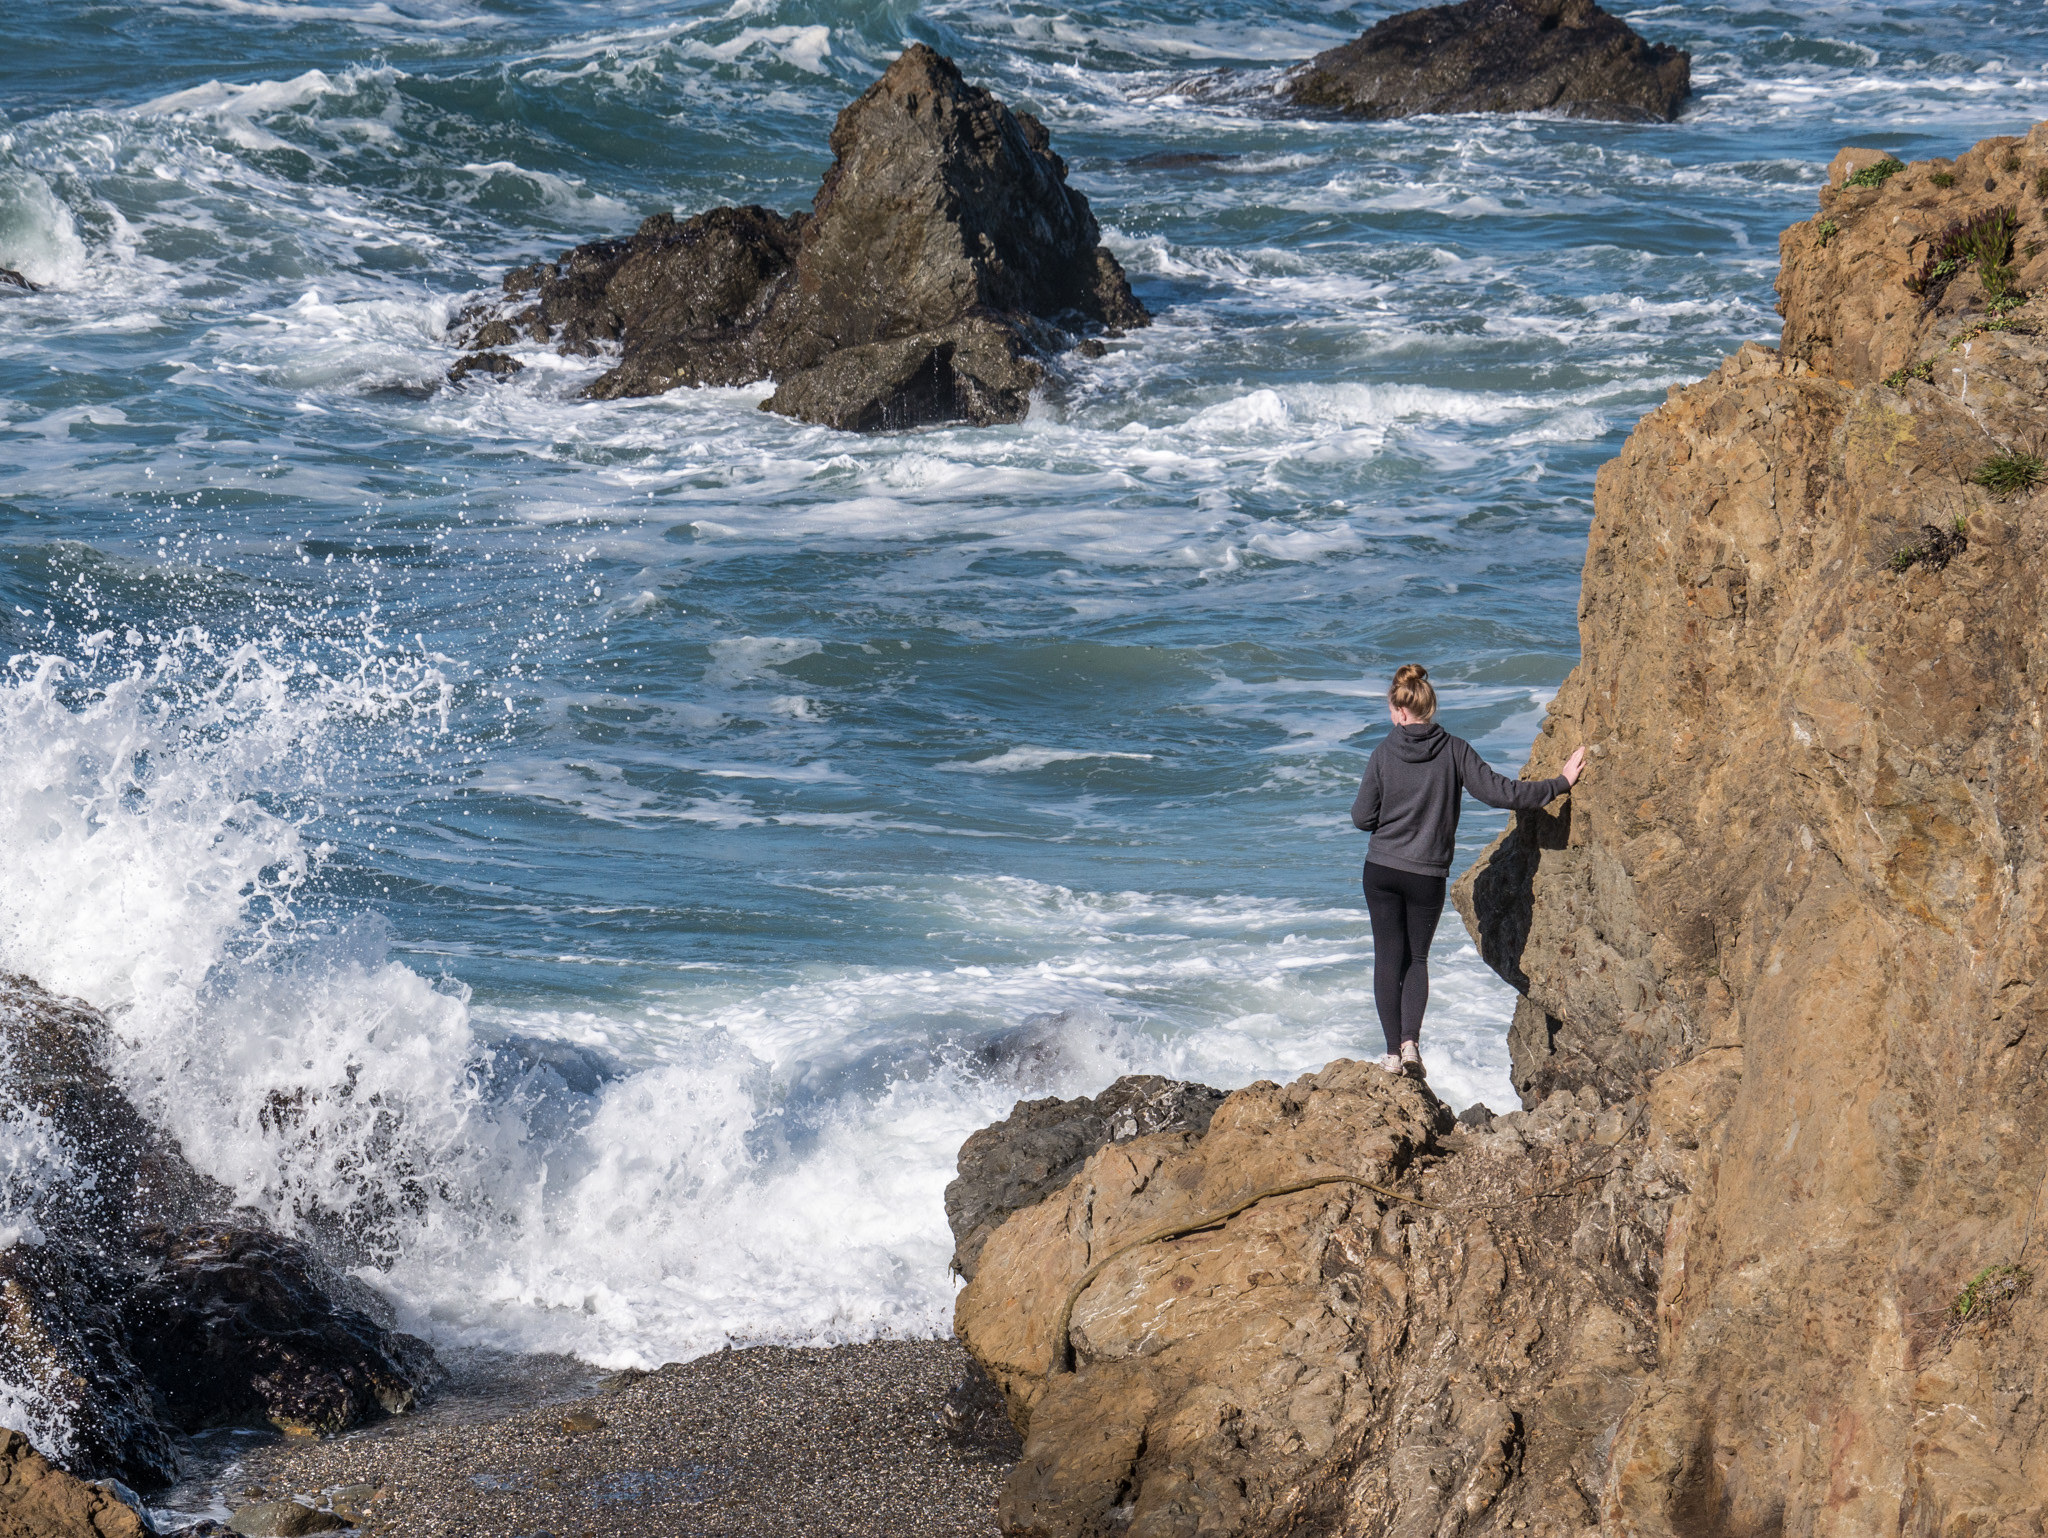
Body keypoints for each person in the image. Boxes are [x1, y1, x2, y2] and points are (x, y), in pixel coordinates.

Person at [1350, 664, 1584, 1079]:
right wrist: (1561, 783)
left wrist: (1393, 812)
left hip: (1381, 868)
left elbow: (1361, 817)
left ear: (1400, 710)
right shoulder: (1455, 750)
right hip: (1426, 875)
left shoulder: (1383, 753)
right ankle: (1410, 1048)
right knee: (1416, 958)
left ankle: (1389, 1056)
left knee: (1388, 959)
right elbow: (1501, 793)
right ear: (1428, 707)